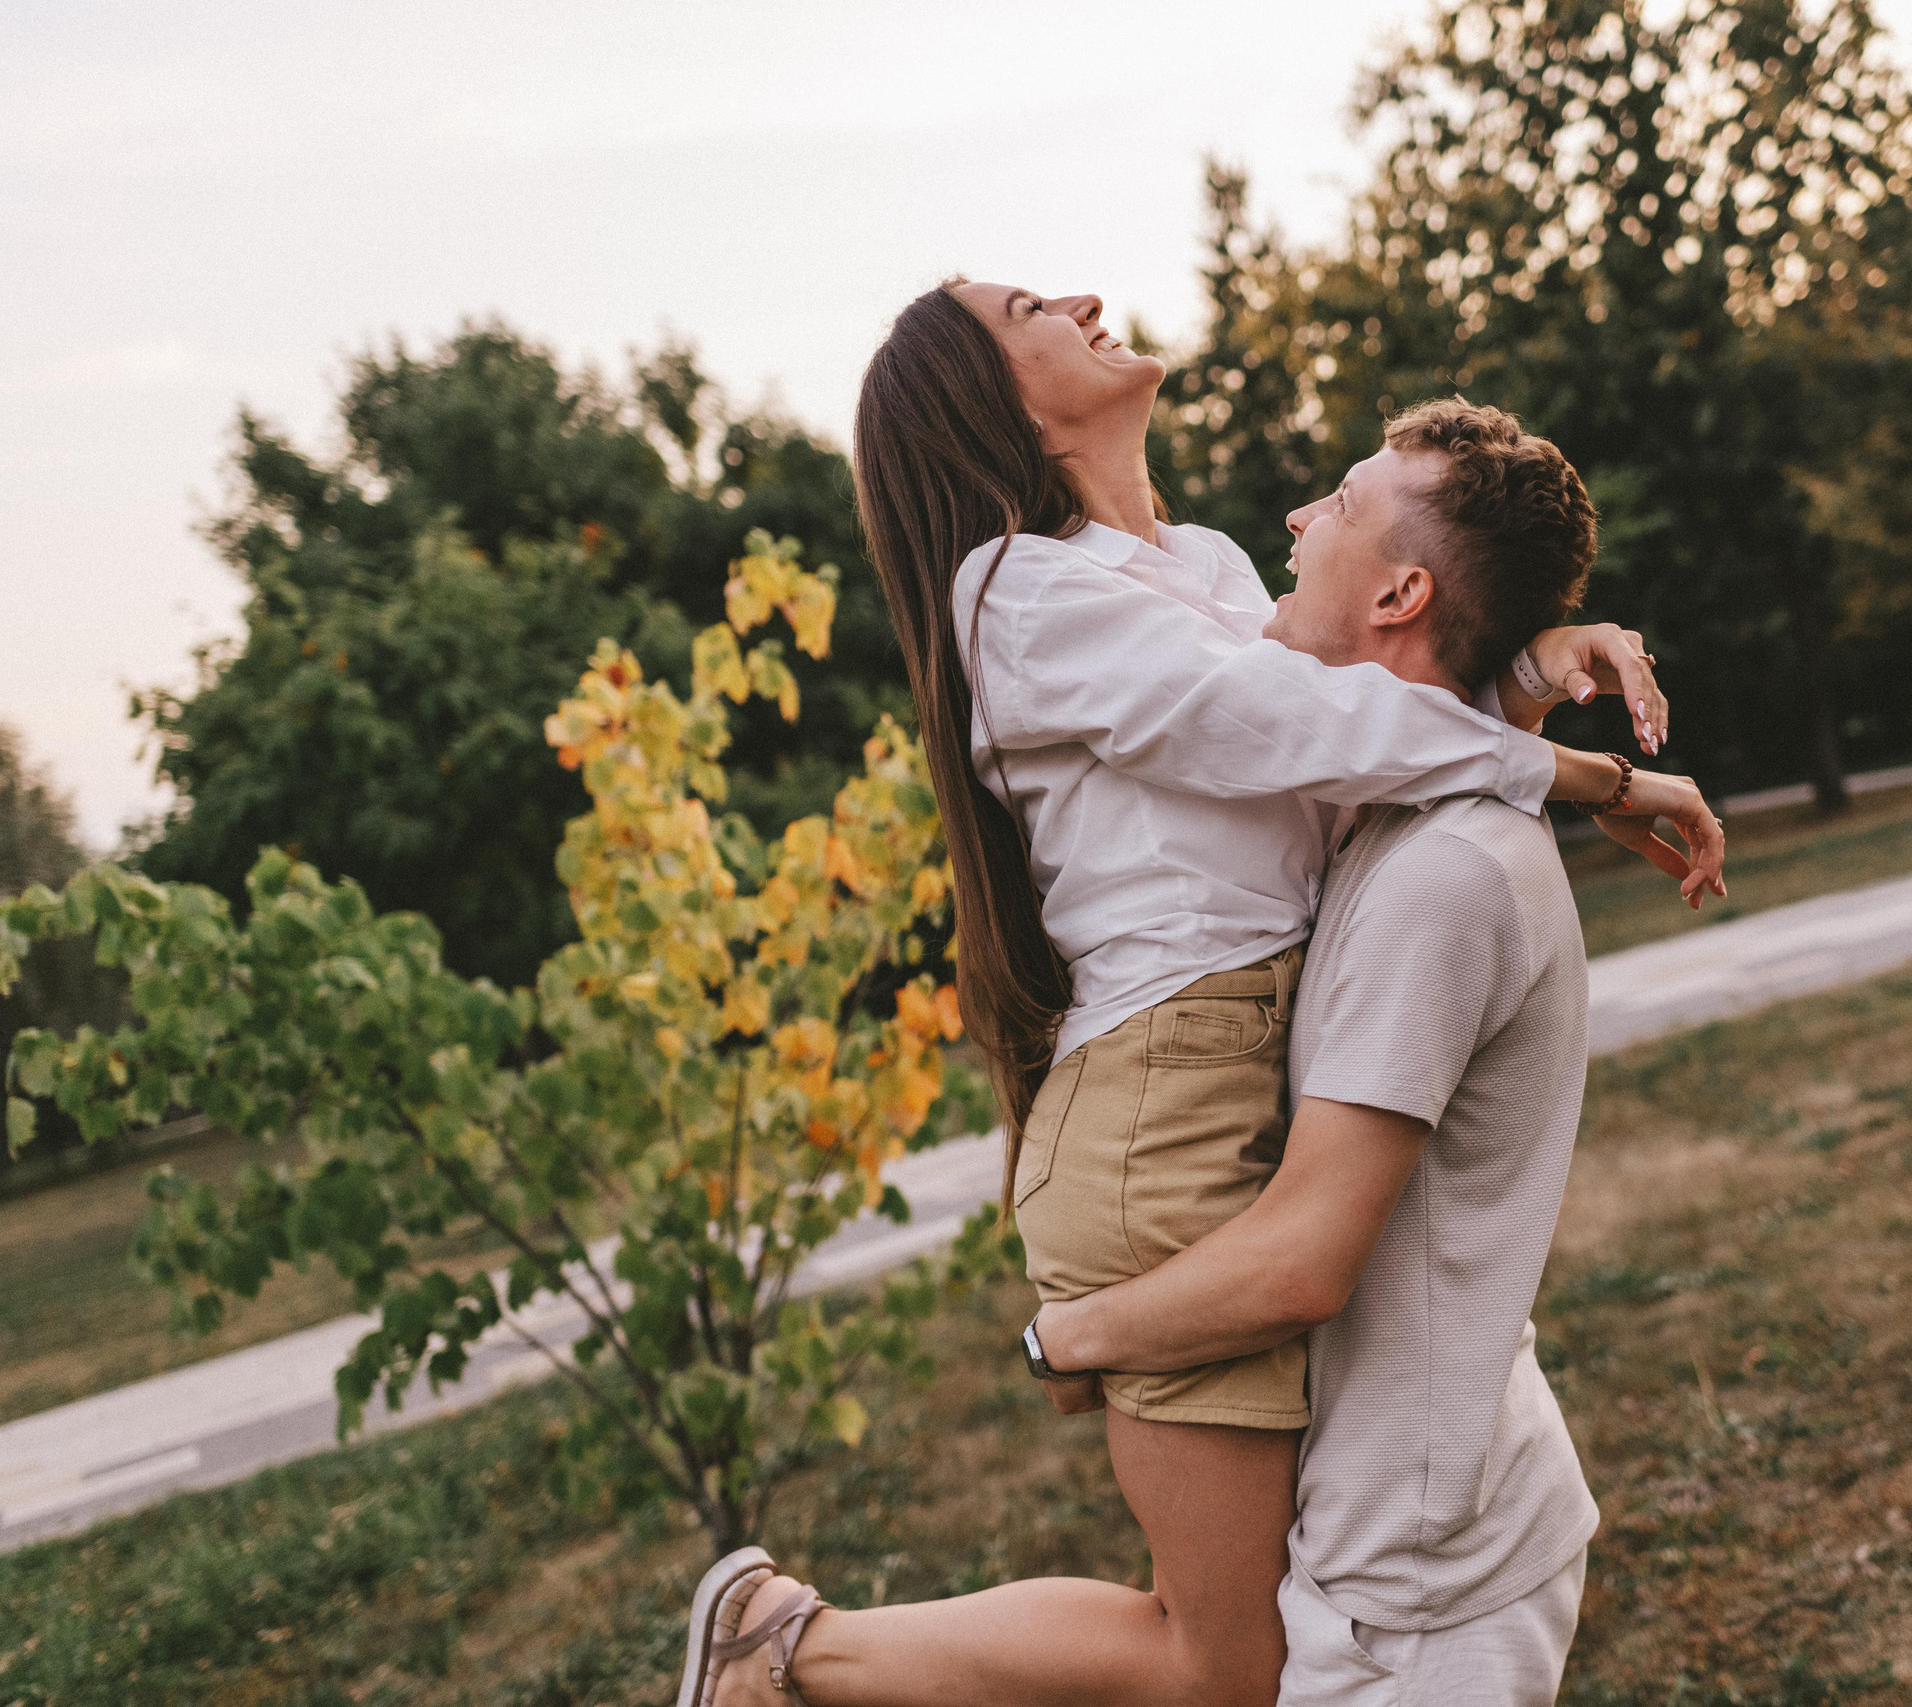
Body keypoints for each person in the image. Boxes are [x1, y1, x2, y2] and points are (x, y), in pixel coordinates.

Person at [670, 285, 1722, 1707]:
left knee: (1259, 1630)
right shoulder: (1016, 593)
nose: (1085, 300)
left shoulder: (1207, 564)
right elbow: (1291, 720)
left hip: (1229, 1062)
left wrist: (1522, 670)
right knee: (1219, 1662)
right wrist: (1585, 773)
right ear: (996, 402)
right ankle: (786, 1649)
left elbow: (1361, 714)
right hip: (1164, 1094)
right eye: (1032, 310)